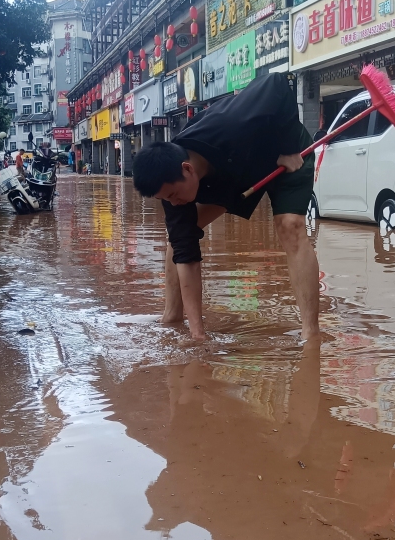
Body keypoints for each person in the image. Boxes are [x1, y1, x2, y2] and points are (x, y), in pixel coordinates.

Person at [133, 73, 319, 342]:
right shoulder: (172, 188)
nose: (173, 202)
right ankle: (173, 316)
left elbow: (278, 83)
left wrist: (290, 147)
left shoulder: (231, 122)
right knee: (181, 235)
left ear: (187, 170)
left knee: (290, 226)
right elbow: (187, 253)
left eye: (173, 195)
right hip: (235, 175)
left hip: (284, 156)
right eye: (167, 199)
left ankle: (311, 333)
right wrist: (198, 335)